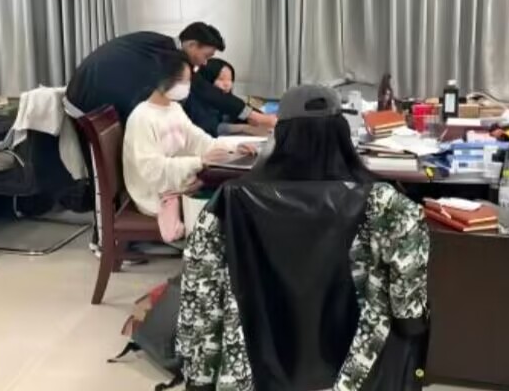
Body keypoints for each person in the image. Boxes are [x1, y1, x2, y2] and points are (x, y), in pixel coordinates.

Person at [177, 85, 430, 390]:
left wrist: (199, 377)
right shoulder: (386, 205)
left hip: (251, 368)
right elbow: (407, 309)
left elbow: (199, 296)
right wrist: (411, 326)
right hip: (358, 370)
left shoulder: (230, 201)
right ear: (342, 133)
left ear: (280, 135)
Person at [122, 53, 250, 242]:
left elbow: (200, 140)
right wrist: (199, 162)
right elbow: (151, 169)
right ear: (166, 80)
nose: (188, 86)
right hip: (154, 193)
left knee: (232, 189)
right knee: (230, 196)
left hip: (176, 179)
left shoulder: (174, 109)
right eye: (185, 81)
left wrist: (235, 148)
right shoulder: (142, 117)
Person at [65, 22, 276, 130]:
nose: (204, 63)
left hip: (88, 95)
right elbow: (204, 90)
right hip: (86, 101)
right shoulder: (168, 56)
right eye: (206, 56)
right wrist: (256, 117)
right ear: (191, 45)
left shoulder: (159, 45)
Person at [184, 58, 268, 137]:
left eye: (230, 79)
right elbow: (208, 127)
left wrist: (254, 121)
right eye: (221, 79)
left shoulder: (231, 102)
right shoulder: (195, 103)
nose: (227, 84)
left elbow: (251, 114)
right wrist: (243, 128)